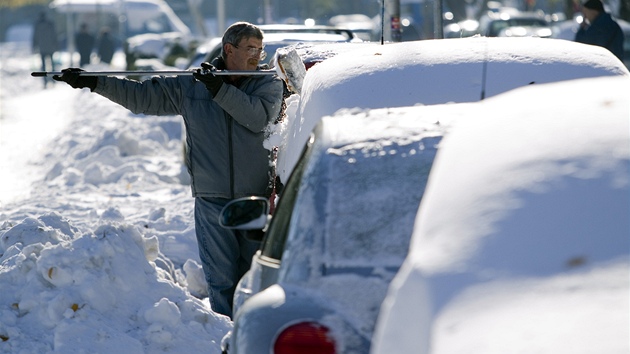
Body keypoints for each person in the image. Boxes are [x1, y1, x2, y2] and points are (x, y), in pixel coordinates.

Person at [53, 22, 284, 319]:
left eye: (260, 50)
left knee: (253, 277)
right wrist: (95, 82)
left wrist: (219, 89)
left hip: (255, 201)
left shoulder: (267, 83)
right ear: (229, 49)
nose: (257, 56)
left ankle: (254, 334)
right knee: (222, 279)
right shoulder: (193, 85)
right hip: (211, 198)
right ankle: (228, 335)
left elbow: (256, 118)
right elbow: (142, 96)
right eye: (251, 49)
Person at [32, 11, 58, 88]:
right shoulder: (50, 24)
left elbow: (35, 37)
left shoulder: (38, 24)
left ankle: (45, 80)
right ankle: (53, 78)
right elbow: (54, 35)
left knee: (44, 65)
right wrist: (56, 45)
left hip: (42, 47)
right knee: (52, 64)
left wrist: (34, 46)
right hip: (50, 47)